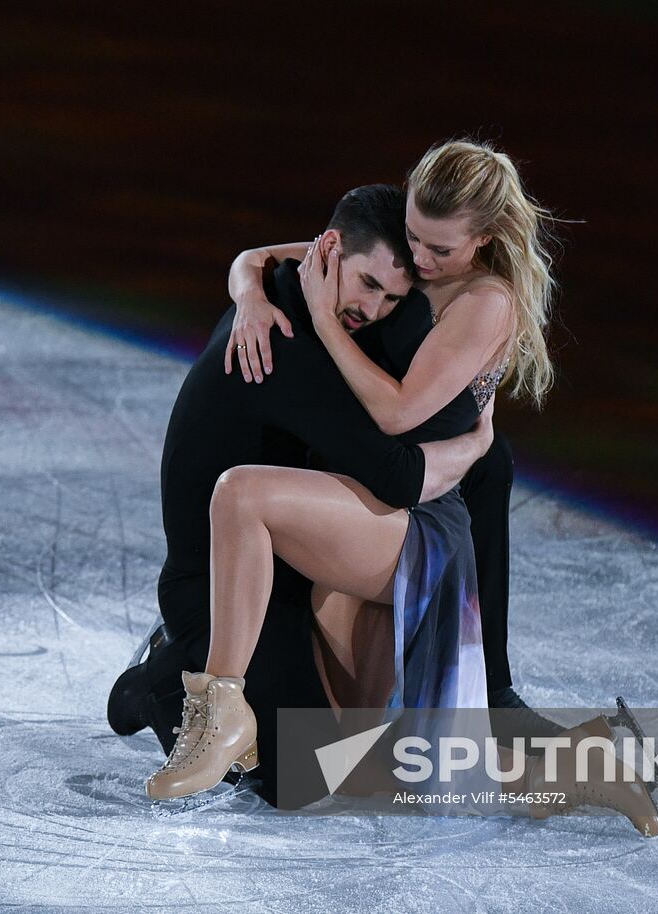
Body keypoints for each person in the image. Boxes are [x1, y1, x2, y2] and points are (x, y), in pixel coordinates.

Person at [149, 140, 658, 835]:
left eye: (437, 250)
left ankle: (219, 706)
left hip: (417, 517)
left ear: (483, 239)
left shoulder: (482, 299)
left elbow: (395, 420)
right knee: (368, 763)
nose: (419, 261)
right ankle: (573, 766)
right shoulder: (405, 263)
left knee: (242, 495)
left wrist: (328, 322)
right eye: (414, 237)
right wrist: (247, 290)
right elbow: (270, 258)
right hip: (380, 514)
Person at [108, 184, 496, 808]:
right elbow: (396, 476)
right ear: (332, 252)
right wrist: (475, 447)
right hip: (208, 588)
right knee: (300, 778)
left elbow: (262, 256)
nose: (375, 309)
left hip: (273, 568)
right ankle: (168, 677)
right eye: (369, 284)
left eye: (394, 297)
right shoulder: (284, 340)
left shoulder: (291, 290)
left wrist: (248, 280)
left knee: (337, 751)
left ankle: (183, 682)